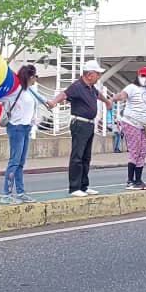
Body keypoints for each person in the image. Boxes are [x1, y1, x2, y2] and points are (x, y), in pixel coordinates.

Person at [47, 60, 112, 197]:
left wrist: (106, 101)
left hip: (89, 124)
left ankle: (84, 185)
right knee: (77, 156)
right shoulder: (77, 86)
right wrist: (53, 102)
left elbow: (98, 94)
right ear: (89, 74)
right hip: (80, 124)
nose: (99, 76)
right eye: (97, 74)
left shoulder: (91, 87)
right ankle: (74, 187)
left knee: (86, 157)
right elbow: (64, 94)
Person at [109, 66, 146, 190]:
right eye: (143, 76)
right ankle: (130, 181)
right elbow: (122, 95)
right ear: (138, 76)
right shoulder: (132, 88)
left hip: (145, 125)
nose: (145, 79)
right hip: (131, 122)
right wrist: (112, 99)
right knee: (135, 151)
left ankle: (138, 180)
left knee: (143, 152)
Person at [0, 64, 46, 204]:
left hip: (26, 128)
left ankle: (20, 192)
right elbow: (0, 98)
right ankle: (6, 194)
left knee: (20, 162)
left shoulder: (29, 91)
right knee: (14, 161)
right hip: (16, 128)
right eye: (35, 77)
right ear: (31, 77)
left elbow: (41, 102)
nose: (35, 80)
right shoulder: (15, 91)